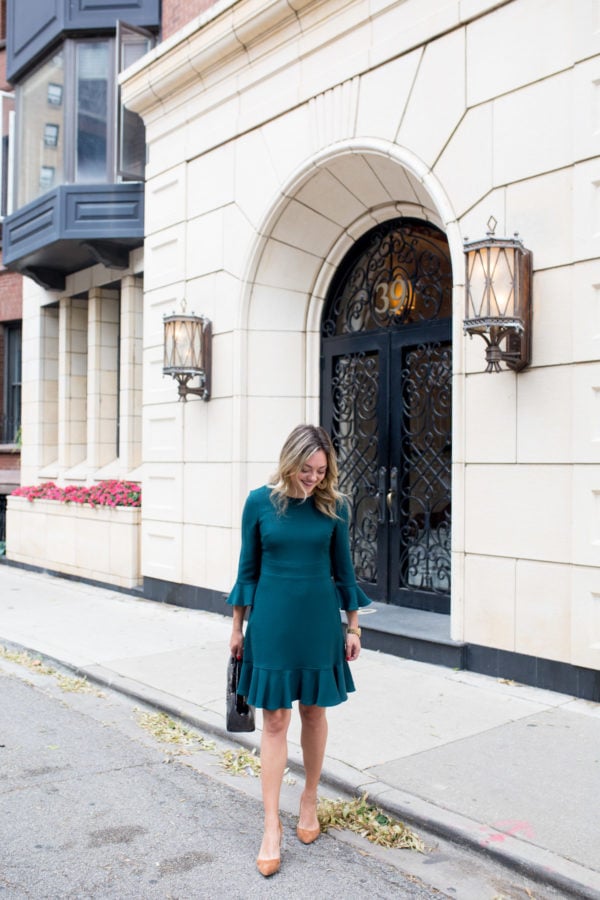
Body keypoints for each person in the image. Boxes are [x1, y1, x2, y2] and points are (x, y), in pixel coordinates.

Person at [228, 424, 371, 877]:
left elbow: (344, 571)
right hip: (270, 620)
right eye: (306, 469)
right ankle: (271, 825)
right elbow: (247, 568)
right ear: (289, 461)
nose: (312, 478)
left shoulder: (335, 506)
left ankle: (309, 796)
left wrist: (353, 628)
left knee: (313, 711)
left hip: (318, 621)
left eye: (321, 470)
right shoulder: (258, 502)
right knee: (274, 720)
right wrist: (236, 627)